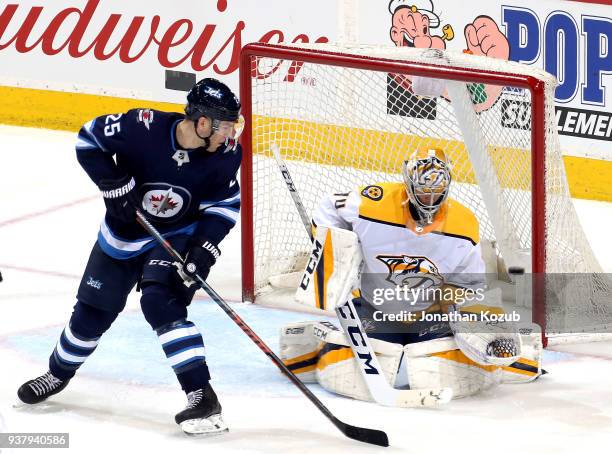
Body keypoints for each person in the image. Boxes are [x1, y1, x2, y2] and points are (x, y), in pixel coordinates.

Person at [17, 78, 242, 435]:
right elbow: (88, 138)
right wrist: (113, 184)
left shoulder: (227, 155)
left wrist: (204, 249)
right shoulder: (142, 127)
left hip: (174, 237)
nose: (230, 134)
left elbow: (224, 206)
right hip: (122, 234)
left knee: (160, 302)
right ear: (202, 122)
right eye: (225, 125)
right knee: (92, 314)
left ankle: (201, 394)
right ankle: (56, 374)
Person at [280, 148, 543, 403]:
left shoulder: (464, 224)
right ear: (408, 183)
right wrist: (333, 250)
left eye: (436, 191)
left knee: (434, 372)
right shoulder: (373, 202)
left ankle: (518, 354)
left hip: (431, 314)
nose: (429, 198)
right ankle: (312, 347)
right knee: (355, 371)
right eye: (423, 191)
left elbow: (469, 284)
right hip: (373, 307)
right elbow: (329, 208)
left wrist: (463, 313)